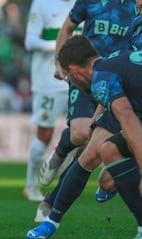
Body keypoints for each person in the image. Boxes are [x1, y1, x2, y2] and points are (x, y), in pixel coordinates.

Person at [28, 0, 141, 238]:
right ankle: (60, 159)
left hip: (122, 85)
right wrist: (58, 62)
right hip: (89, 75)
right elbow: (67, 28)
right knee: (82, 136)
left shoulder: (138, 8)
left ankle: (54, 202)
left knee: (97, 155)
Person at [57, 34, 142, 239]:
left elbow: (127, 115)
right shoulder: (133, 28)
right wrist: (96, 119)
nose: (138, 0)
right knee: (108, 163)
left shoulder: (103, 74)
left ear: (74, 71)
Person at [23, 0, 78, 203]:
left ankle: (62, 187)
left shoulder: (80, 2)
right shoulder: (42, 3)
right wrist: (61, 46)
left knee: (78, 134)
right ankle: (30, 185)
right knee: (44, 134)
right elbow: (30, 41)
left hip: (76, 80)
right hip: (46, 79)